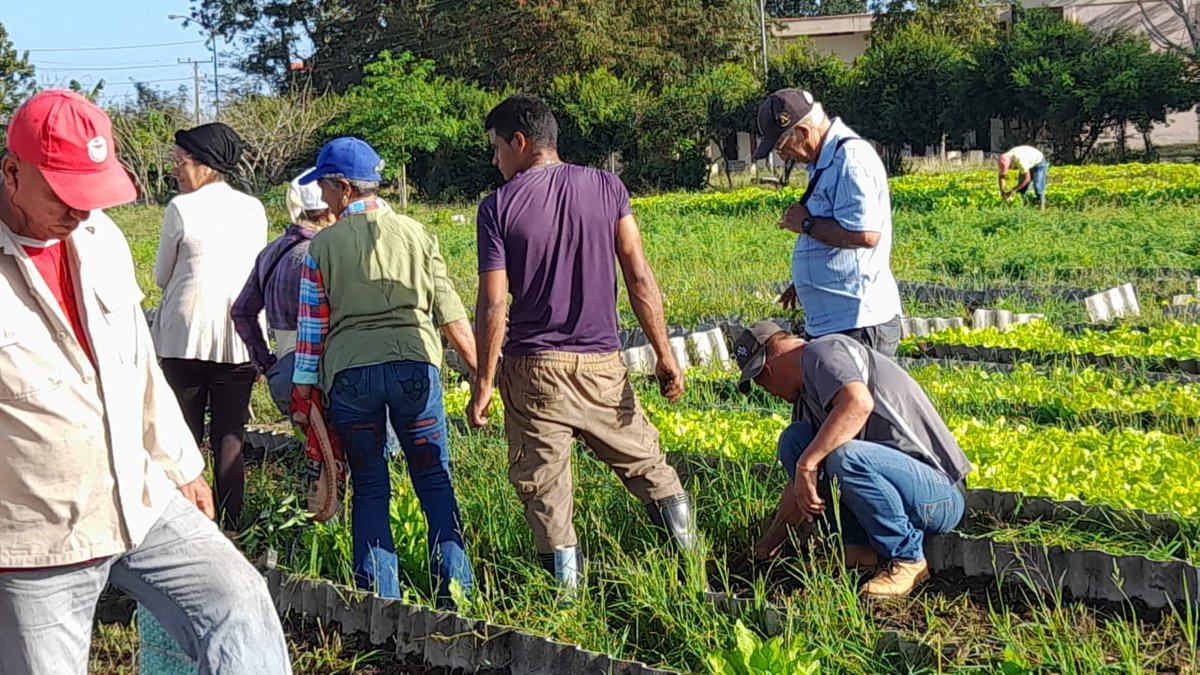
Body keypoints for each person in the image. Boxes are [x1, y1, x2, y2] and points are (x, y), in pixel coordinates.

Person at [0, 91, 290, 674]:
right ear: (12, 172)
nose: (80, 212)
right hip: (37, 528)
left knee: (237, 602)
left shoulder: (99, 238)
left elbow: (137, 362)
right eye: (65, 194)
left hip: (138, 491)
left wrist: (182, 464)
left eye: (92, 195)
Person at [468, 95, 700, 589]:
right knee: (648, 465)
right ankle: (693, 574)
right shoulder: (607, 186)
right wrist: (664, 353)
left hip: (534, 369)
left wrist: (483, 381)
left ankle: (566, 604)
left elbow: (493, 305)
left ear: (520, 142)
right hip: (602, 362)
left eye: (496, 148)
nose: (495, 160)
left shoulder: (498, 207)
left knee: (545, 489)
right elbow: (639, 275)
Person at [291, 137, 478, 604]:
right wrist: (481, 375)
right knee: (433, 477)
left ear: (343, 187)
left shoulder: (323, 247)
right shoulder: (417, 234)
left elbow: (312, 330)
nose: (325, 199)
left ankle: (381, 599)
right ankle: (456, 594)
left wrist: (303, 392)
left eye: (327, 189)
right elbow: (450, 310)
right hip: (414, 366)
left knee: (371, 484)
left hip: (352, 376)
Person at [734, 320, 973, 598]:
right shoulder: (806, 401)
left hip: (939, 496)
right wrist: (766, 546)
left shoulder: (823, 352)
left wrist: (807, 464)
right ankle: (857, 549)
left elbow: (858, 403)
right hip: (897, 492)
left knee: (844, 456)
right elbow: (800, 490)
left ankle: (909, 560)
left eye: (760, 379)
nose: (765, 389)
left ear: (769, 368)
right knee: (795, 440)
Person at [152, 122, 267, 532]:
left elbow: (162, 276)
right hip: (239, 337)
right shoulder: (253, 209)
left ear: (204, 165)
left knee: (182, 433)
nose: (176, 170)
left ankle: (181, 526)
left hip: (183, 335)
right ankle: (233, 524)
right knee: (230, 433)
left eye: (180, 162)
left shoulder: (180, 208)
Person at [753, 89, 903, 357]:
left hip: (858, 323)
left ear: (802, 132)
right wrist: (804, 281)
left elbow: (866, 234)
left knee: (858, 400)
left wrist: (807, 224)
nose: (784, 157)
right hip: (835, 324)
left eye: (781, 148)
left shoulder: (850, 160)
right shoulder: (827, 161)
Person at [233, 170, 337, 415]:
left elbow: (242, 311)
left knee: (314, 448)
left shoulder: (271, 252)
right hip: (328, 373)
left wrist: (267, 364)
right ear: (331, 210)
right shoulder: (327, 251)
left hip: (285, 373)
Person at [998, 145, 1048, 211]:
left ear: (1011, 163)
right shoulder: (1003, 159)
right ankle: (1023, 207)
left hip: (1038, 161)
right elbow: (1002, 176)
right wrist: (1002, 192)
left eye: (1010, 167)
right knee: (1022, 189)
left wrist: (1013, 190)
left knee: (1038, 186)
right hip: (1028, 161)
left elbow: (1027, 179)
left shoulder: (1019, 160)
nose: (1010, 169)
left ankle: (1042, 208)